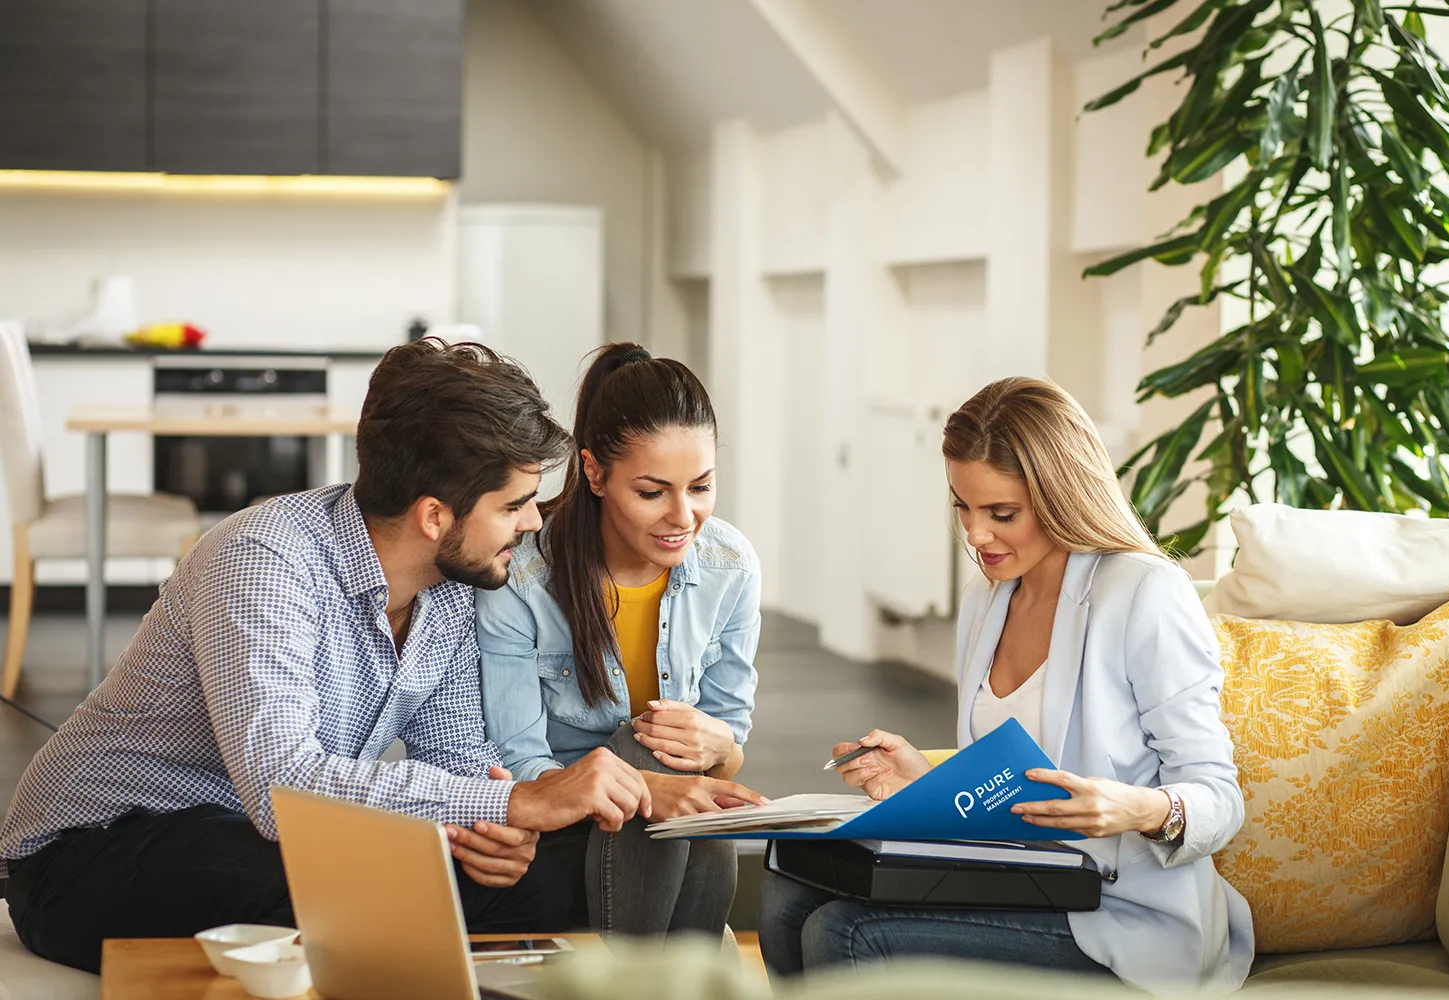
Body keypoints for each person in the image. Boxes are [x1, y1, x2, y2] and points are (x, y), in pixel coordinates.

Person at [0, 340, 655, 973]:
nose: (534, 523)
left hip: (257, 837)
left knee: (545, 884)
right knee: (347, 885)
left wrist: (493, 828)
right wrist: (515, 806)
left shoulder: (455, 588)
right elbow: (280, 786)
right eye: (513, 505)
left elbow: (455, 759)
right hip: (91, 850)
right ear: (434, 516)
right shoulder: (263, 558)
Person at [759, 377, 1253, 993]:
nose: (974, 534)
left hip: (1122, 916)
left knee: (845, 931)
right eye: (962, 506)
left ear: (1062, 496)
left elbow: (1220, 799)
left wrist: (1136, 808)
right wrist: (924, 778)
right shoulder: (988, 600)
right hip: (1020, 883)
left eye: (1002, 514)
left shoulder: (1144, 593)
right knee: (786, 894)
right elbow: (1009, 780)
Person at [476, 343, 764, 938]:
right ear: (594, 472)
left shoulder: (730, 565)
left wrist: (716, 745)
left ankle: (657, 979)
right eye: (653, 492)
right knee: (639, 749)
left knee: (683, 778)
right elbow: (518, 761)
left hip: (671, 826)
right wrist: (645, 787)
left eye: (701, 486)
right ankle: (676, 973)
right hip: (563, 823)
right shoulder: (523, 577)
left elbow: (728, 747)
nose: (684, 516)